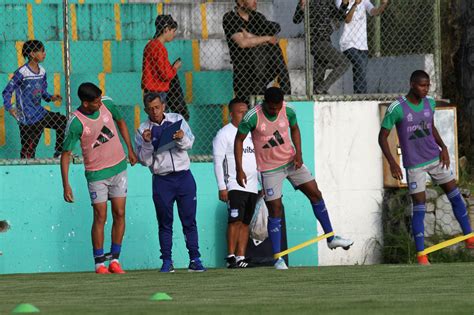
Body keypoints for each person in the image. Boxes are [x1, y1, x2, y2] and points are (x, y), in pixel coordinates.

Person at [235, 87, 353, 270]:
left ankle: (331, 237)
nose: (276, 110)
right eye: (272, 107)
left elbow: (295, 129)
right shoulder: (252, 116)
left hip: (292, 162)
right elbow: (239, 140)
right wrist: (239, 169)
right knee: (275, 210)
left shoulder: (288, 110)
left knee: (316, 193)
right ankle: (278, 258)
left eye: (278, 106)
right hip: (270, 170)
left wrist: (299, 153)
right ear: (265, 103)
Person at [378, 70, 474, 265]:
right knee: (419, 207)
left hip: (434, 158)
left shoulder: (429, 103)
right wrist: (393, 162)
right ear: (413, 84)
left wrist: (444, 147)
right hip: (415, 166)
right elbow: (382, 137)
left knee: (455, 195)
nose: (426, 89)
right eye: (422, 85)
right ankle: (422, 255)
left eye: (428, 85)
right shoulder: (397, 108)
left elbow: (431, 127)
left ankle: (469, 238)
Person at [60, 82, 138, 274]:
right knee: (100, 216)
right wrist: (66, 185)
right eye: (95, 102)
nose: (99, 104)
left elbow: (120, 121)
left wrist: (129, 148)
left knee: (119, 213)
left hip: (118, 168)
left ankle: (115, 260)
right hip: (97, 174)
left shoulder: (107, 104)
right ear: (85, 103)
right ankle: (99, 263)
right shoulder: (76, 122)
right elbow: (66, 154)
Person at [135, 92, 206, 273]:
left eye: (157, 107)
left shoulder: (177, 119)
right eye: (150, 109)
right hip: (162, 180)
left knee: (189, 220)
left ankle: (195, 259)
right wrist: (147, 143)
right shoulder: (142, 130)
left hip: (184, 177)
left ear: (164, 106)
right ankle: (167, 261)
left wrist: (181, 136)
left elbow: (190, 143)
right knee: (165, 222)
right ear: (145, 110)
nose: (155, 111)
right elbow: (145, 161)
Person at [213, 98, 259, 268]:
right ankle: (231, 256)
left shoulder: (252, 134)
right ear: (231, 114)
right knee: (235, 221)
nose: (244, 115)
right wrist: (221, 187)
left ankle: (241, 257)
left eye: (246, 112)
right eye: (241, 112)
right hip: (234, 185)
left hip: (253, 186)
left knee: (246, 222)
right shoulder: (224, 134)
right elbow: (218, 162)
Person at [2, 40, 67, 159]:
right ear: (32, 54)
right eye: (42, 51)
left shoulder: (42, 71)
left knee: (62, 121)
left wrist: (51, 97)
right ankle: (24, 170)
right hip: (28, 118)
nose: (44, 54)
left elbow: (42, 91)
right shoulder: (22, 72)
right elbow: (7, 91)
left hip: (40, 113)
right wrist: (9, 107)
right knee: (28, 152)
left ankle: (58, 153)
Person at [222, 0, 291, 103]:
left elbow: (273, 34)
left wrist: (250, 37)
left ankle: (286, 92)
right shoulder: (230, 17)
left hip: (261, 68)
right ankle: (284, 90)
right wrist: (265, 39)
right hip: (244, 70)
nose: (256, 1)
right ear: (241, 2)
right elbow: (242, 43)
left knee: (274, 47)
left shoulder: (257, 17)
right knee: (246, 105)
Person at [293, 0, 350, 94]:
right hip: (316, 41)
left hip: (326, 40)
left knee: (319, 74)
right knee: (344, 63)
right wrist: (301, 7)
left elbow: (339, 16)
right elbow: (296, 19)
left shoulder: (327, 2)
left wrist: (344, 4)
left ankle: (318, 91)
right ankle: (321, 88)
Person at [335, 0, 389, 94]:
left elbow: (374, 12)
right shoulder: (340, 1)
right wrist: (355, 4)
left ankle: (358, 95)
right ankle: (362, 94)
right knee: (360, 64)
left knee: (360, 69)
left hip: (362, 44)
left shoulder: (364, 1)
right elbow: (347, 19)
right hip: (347, 43)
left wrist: (384, 4)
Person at [142, 14, 189, 120]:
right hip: (158, 92)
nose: (174, 34)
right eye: (173, 31)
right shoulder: (159, 48)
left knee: (155, 121)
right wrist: (175, 67)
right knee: (163, 121)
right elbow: (166, 74)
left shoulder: (150, 45)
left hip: (149, 91)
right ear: (166, 29)